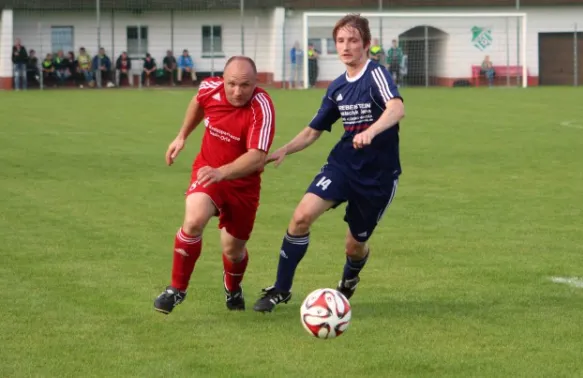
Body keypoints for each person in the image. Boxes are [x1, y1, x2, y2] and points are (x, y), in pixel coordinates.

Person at [253, 13, 405, 313]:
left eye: (352, 40)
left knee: (355, 245)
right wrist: (285, 149)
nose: (346, 47)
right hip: (343, 165)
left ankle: (349, 279)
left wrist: (372, 131)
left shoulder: (376, 74)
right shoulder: (337, 87)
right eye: (340, 41)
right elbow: (313, 131)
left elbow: (397, 108)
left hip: (377, 176)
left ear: (366, 44)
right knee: (300, 217)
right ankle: (281, 289)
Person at [154, 56, 276, 314]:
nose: (237, 91)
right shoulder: (210, 88)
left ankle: (233, 289)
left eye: (245, 85)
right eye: (231, 84)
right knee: (194, 220)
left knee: (233, 251)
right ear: (223, 79)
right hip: (208, 171)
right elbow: (198, 102)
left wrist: (224, 172)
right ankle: (177, 289)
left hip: (242, 185)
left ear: (256, 82)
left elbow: (257, 156)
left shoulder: (261, 106)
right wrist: (182, 136)